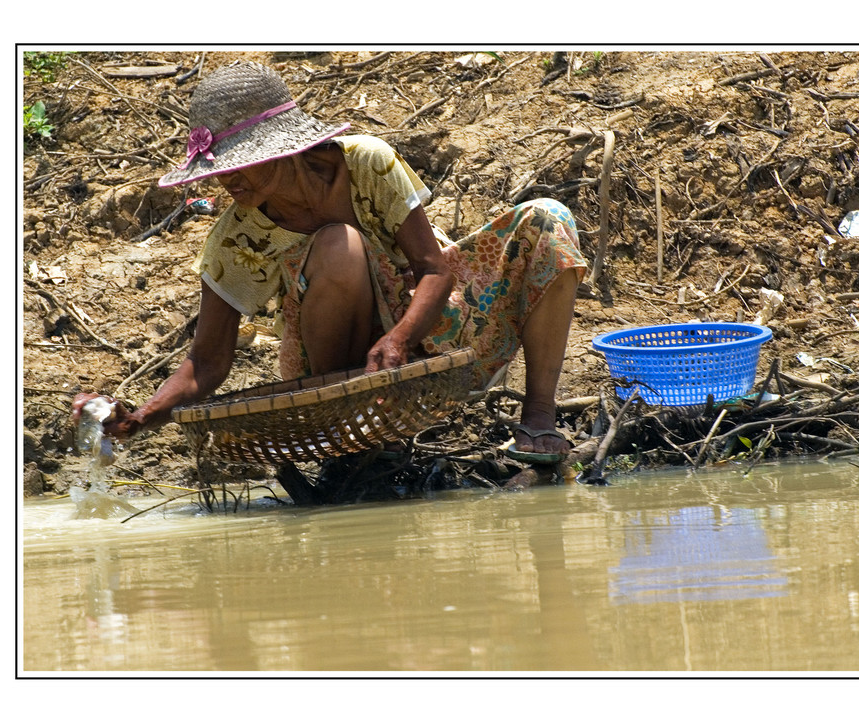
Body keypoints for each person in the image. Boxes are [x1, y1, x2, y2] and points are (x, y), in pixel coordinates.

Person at [73, 60, 587, 464]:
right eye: (219, 169)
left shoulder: (366, 161)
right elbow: (207, 362)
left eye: (239, 164)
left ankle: (539, 415)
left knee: (547, 217)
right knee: (339, 244)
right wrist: (142, 416)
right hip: (341, 376)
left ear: (282, 150)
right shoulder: (235, 238)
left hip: (431, 323)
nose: (226, 181)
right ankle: (355, 429)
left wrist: (401, 337)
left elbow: (433, 268)